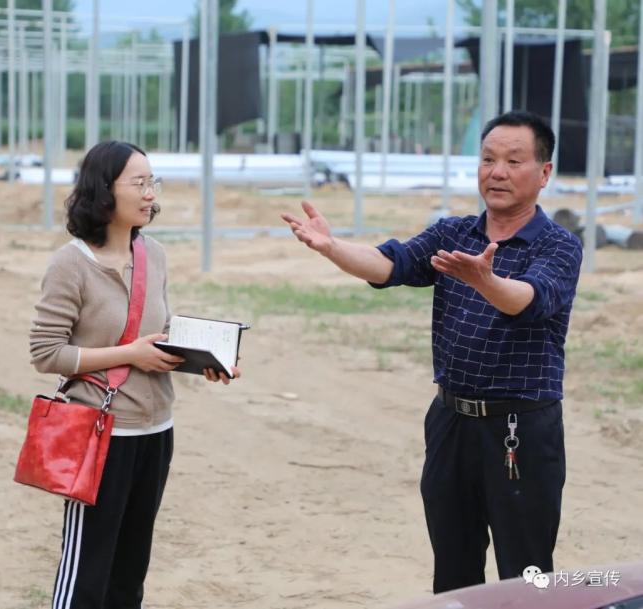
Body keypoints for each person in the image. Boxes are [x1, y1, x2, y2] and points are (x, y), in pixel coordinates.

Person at [282, 111, 582, 593]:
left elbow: (529, 299)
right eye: (488, 159)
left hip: (520, 427)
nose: (497, 172)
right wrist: (331, 247)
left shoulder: (558, 245)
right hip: (451, 421)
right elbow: (390, 264)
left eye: (513, 161)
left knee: (526, 575)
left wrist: (485, 280)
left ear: (544, 173)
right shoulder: (453, 234)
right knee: (454, 569)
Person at [29, 140, 240, 608]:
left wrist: (204, 358)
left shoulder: (153, 255)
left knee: (129, 574)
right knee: (86, 575)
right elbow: (46, 353)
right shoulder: (70, 264)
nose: (150, 193)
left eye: (152, 182)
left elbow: (156, 333)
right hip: (100, 433)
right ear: (104, 190)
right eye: (139, 183)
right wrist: (130, 354)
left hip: (156, 431)